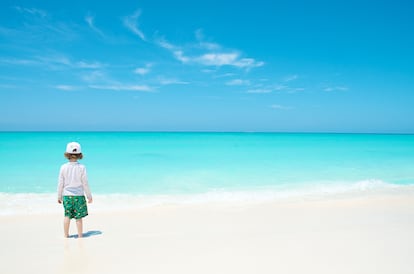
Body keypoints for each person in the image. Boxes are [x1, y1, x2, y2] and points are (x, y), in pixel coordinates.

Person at [57, 142, 93, 238]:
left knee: (67, 215)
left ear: (67, 154)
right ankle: (80, 235)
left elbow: (60, 183)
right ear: (80, 155)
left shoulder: (63, 167)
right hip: (79, 196)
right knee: (79, 217)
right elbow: (85, 183)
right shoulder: (82, 167)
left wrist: (59, 196)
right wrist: (89, 196)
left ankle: (66, 235)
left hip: (67, 196)